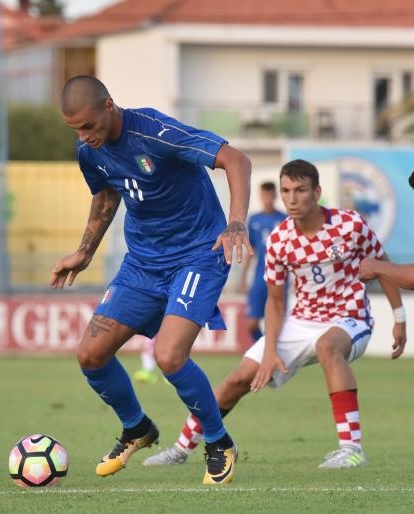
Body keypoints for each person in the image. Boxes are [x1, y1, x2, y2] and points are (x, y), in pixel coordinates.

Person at [51, 75, 253, 485]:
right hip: (143, 263)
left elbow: (236, 160)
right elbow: (107, 193)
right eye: (75, 130)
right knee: (90, 355)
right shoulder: (89, 150)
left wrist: (236, 222)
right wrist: (85, 251)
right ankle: (137, 428)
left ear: (109, 106)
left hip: (198, 255)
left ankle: (219, 442)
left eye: (88, 125)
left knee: (169, 356)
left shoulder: (156, 132)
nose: (84, 137)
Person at [143, 159, 406, 469]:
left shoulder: (351, 225)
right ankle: (180, 450)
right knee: (238, 379)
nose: (292, 199)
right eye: (286, 191)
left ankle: (352, 449)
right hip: (301, 320)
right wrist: (269, 351)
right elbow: (276, 302)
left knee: (328, 346)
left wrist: (399, 318)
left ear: (317, 192)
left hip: (349, 317)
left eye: (300, 190)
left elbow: (384, 266)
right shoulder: (279, 240)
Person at [240, 182, 286, 342]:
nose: (267, 199)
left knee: (275, 325)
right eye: (264, 195)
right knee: (251, 324)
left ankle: (270, 352)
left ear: (275, 196)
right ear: (260, 196)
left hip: (279, 278)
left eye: (270, 195)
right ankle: (263, 349)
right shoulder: (254, 219)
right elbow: (251, 250)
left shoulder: (284, 219)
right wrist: (244, 277)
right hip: (259, 278)